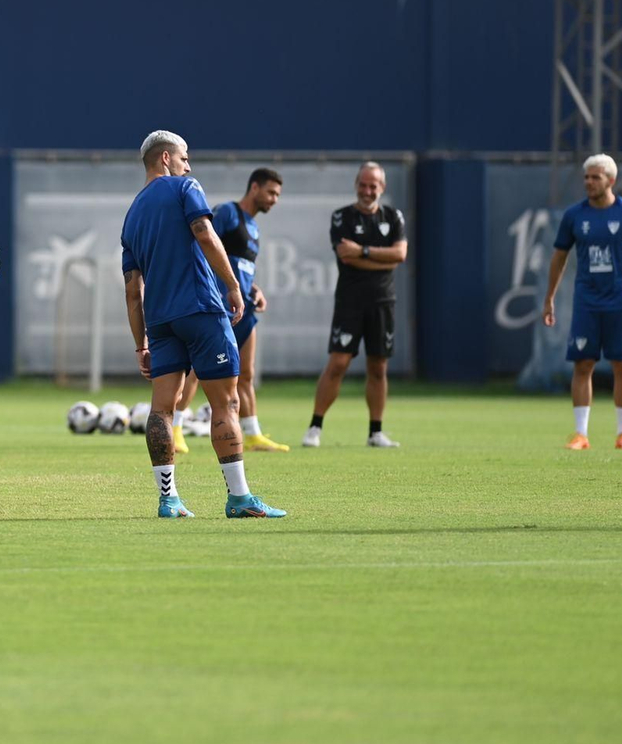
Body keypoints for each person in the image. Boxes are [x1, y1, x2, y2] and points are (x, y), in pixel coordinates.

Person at [121, 130, 285, 520]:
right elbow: (206, 233)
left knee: (162, 410)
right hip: (200, 310)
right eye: (184, 156)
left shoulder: (131, 216)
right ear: (165, 159)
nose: (188, 164)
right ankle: (239, 497)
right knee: (225, 402)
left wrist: (140, 343)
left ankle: (169, 500)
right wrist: (233, 287)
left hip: (161, 322)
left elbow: (132, 291)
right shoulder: (184, 187)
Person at [541, 154, 622, 450]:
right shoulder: (574, 216)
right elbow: (559, 257)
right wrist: (550, 297)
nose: (589, 182)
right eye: (586, 177)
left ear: (611, 181)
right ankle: (581, 434)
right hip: (587, 301)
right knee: (583, 364)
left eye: (595, 177)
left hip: (619, 300)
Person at [303, 162, 407, 449]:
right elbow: (345, 257)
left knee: (378, 367)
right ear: (356, 185)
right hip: (350, 301)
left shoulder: (393, 216)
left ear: (381, 188)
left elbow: (400, 254)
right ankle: (315, 426)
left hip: (383, 301)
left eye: (373, 185)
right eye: (363, 184)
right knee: (338, 363)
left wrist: (363, 251)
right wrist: (381, 259)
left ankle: (376, 431)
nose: (367, 190)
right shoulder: (342, 217)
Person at [212, 168, 288, 451]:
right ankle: (179, 427)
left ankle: (253, 433)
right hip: (221, 305)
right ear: (254, 188)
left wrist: (254, 289)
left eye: (278, 195)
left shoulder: (254, 227)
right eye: (271, 192)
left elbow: (240, 265)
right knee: (198, 371)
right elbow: (204, 248)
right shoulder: (227, 213)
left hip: (245, 306)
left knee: (246, 373)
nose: (274, 199)